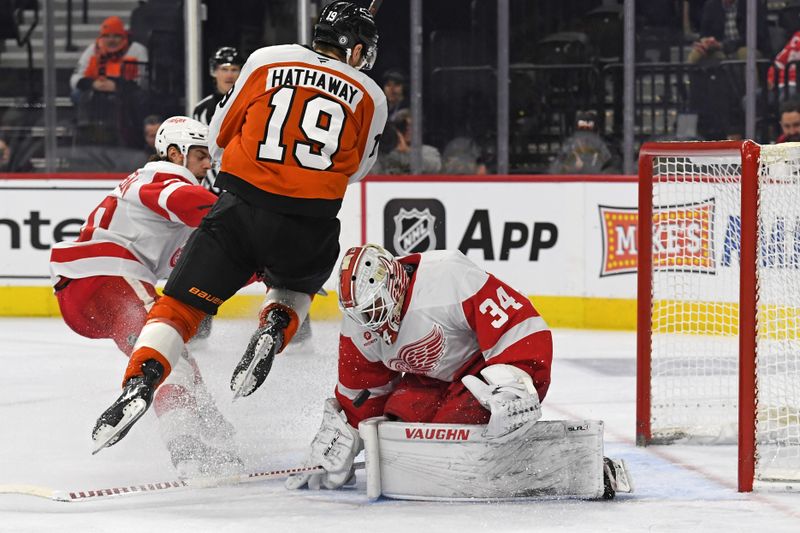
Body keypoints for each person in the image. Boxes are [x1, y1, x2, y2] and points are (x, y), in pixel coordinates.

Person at [91, 1, 387, 453]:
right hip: (311, 222)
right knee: (294, 289)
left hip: (239, 207)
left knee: (178, 307)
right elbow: (357, 169)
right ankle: (273, 326)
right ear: (355, 47)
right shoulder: (371, 95)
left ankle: (141, 379)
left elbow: (219, 134)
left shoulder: (268, 59)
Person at [286, 244, 633, 499]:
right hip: (429, 383)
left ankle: (578, 464)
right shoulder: (357, 325)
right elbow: (363, 389)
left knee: (454, 433)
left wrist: (516, 382)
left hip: (482, 376)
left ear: (392, 283)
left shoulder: (447, 276)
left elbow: (520, 324)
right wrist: (346, 431)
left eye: (376, 306)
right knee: (400, 433)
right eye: (361, 313)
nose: (370, 322)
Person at [51, 116, 241, 476]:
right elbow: (199, 207)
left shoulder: (162, 194)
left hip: (89, 296)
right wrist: (255, 230)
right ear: (174, 153)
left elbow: (201, 259)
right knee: (173, 361)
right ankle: (186, 448)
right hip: (107, 274)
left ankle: (213, 430)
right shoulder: (161, 176)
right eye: (200, 155)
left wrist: (258, 267)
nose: (207, 164)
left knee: (172, 353)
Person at [70, 16, 149, 147]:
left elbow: (144, 80)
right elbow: (75, 78)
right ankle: (86, 134)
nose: (111, 40)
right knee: (77, 94)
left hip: (126, 93)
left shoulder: (137, 50)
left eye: (116, 36)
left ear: (123, 35)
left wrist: (117, 86)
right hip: (96, 90)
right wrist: (93, 84)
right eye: (107, 36)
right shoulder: (93, 49)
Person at [372, 108, 442, 174]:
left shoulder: (428, 151)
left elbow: (436, 167)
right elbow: (372, 172)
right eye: (404, 126)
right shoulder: (384, 150)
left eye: (412, 126)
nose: (408, 129)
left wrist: (407, 151)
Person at [548, 110, 617, 174]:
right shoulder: (567, 150)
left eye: (590, 138)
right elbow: (553, 172)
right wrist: (571, 169)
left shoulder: (606, 152)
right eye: (581, 137)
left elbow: (614, 173)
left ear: (597, 136)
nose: (585, 140)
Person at [192, 46, 245, 126]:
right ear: (213, 71)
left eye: (234, 69)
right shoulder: (201, 109)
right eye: (224, 69)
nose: (229, 75)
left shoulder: (249, 105)